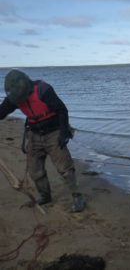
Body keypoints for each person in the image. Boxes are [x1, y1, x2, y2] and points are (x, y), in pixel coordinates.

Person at [0, 69, 85, 212]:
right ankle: (45, 196)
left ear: (25, 84)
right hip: (33, 134)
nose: (18, 96)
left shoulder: (43, 90)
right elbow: (2, 112)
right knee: (35, 171)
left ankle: (78, 197)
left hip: (54, 132)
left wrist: (64, 132)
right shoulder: (14, 96)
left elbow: (62, 109)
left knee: (65, 170)